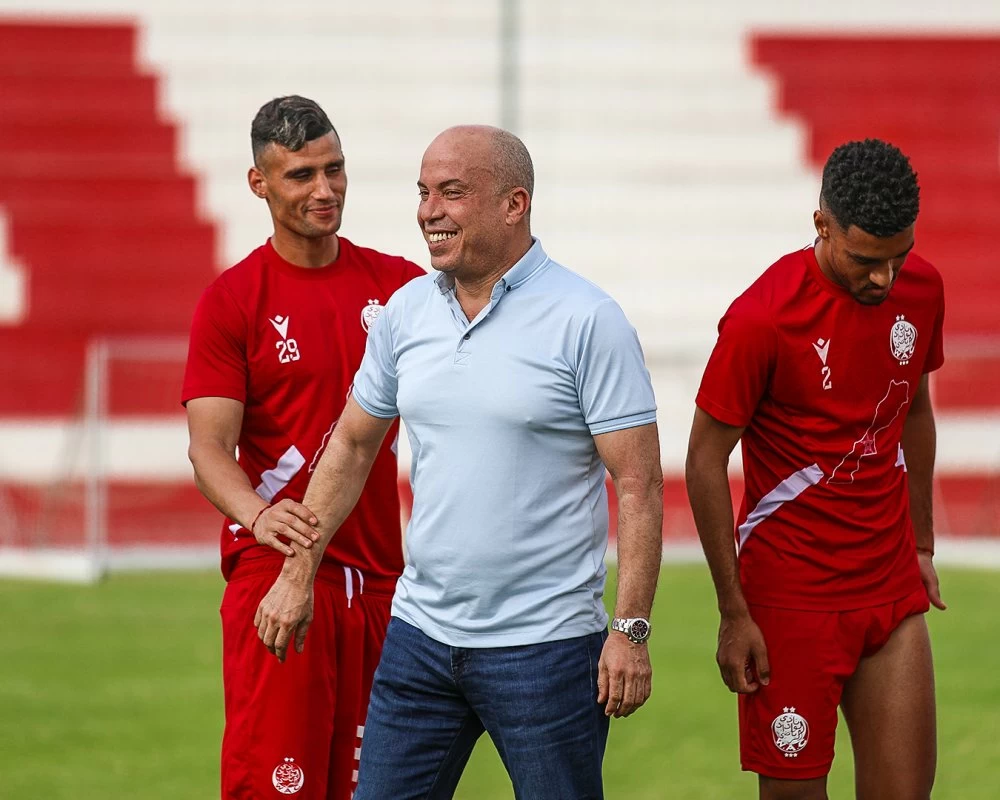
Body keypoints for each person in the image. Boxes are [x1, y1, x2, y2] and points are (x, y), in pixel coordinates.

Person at [253, 124, 664, 799]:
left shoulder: (588, 319)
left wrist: (631, 631)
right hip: (420, 638)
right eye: (423, 193)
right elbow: (353, 444)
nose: (429, 211)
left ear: (514, 203)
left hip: (548, 648)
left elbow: (640, 483)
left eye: (451, 193)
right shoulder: (405, 313)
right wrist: (300, 569)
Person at [686, 138, 945, 800]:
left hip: (889, 590)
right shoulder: (761, 319)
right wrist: (732, 610)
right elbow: (704, 459)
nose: (885, 278)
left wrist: (920, 544)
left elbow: (914, 409)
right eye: (866, 260)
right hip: (789, 604)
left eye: (898, 257)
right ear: (821, 225)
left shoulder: (922, 290)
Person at [182, 95, 423, 799]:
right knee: (279, 788)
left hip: (383, 582)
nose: (325, 190)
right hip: (280, 577)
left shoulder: (400, 288)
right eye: (301, 176)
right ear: (259, 183)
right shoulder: (234, 301)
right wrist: (258, 517)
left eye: (335, 169)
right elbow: (208, 449)